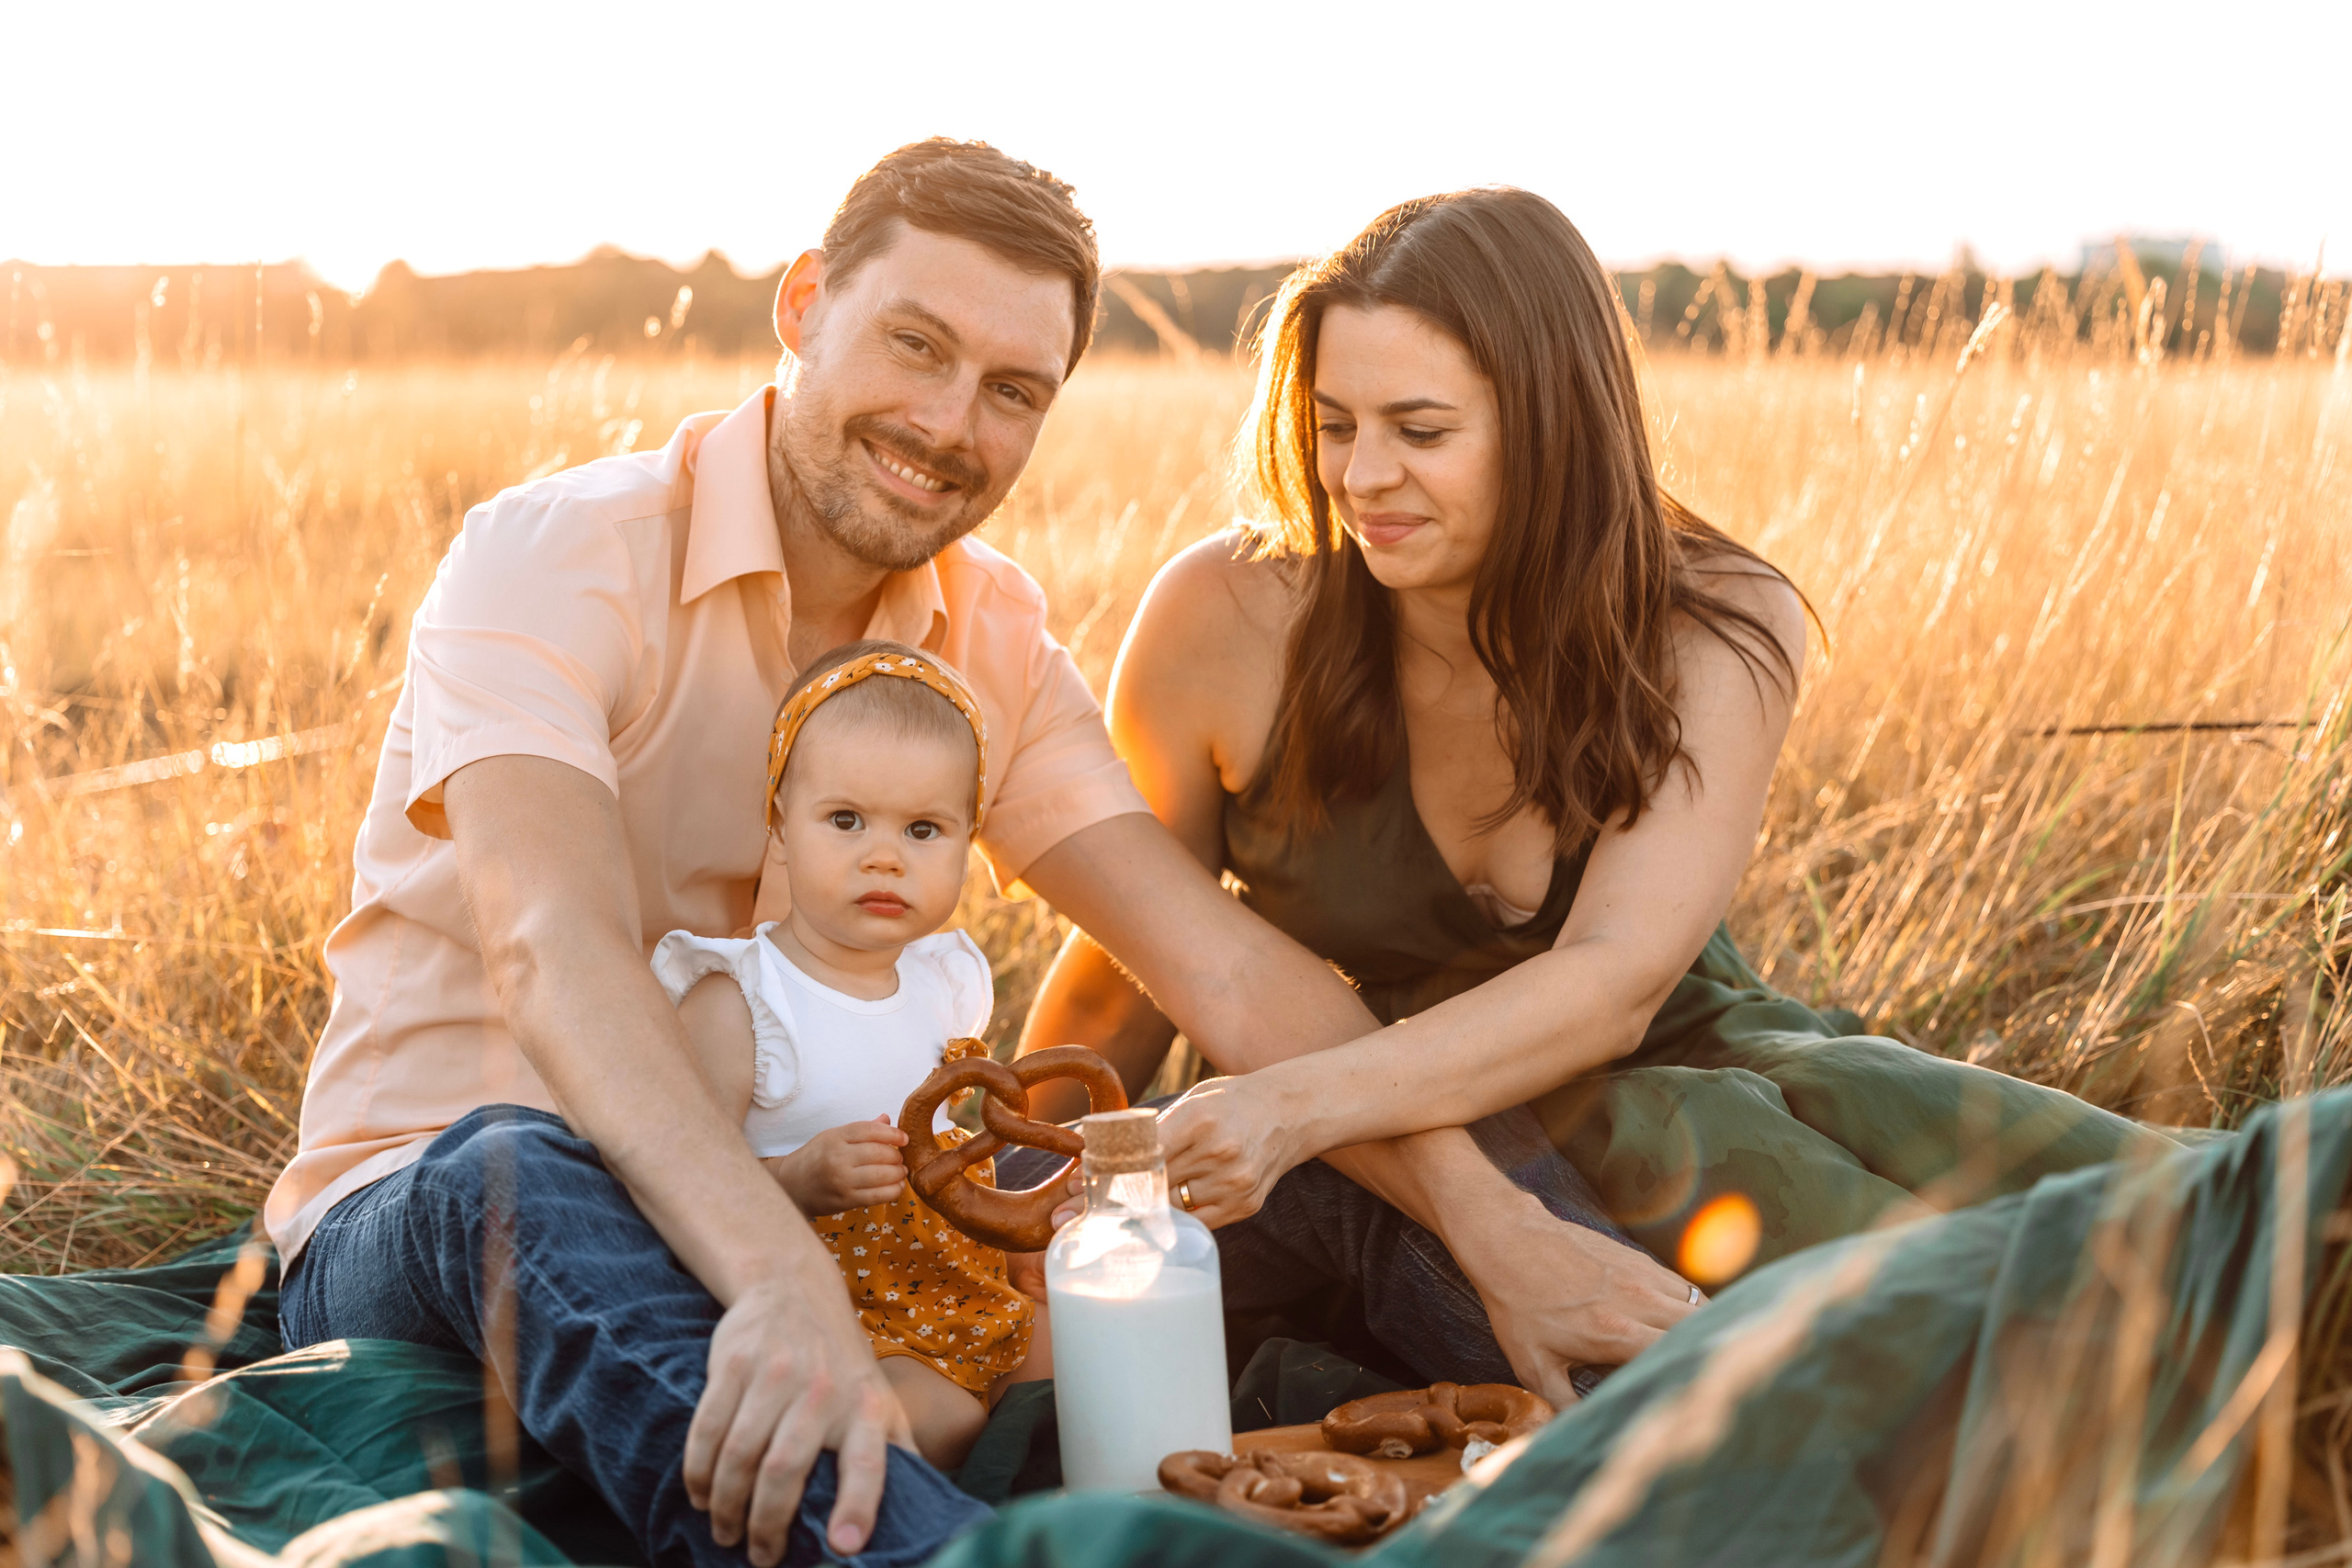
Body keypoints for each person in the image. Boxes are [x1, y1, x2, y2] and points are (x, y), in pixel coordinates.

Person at [267, 142, 1661, 1568]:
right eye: (916, 344)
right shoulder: (555, 555)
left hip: (855, 1245)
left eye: (1012, 391)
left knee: (1312, 1134)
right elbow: (544, 946)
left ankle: (1699, 1441)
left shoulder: (986, 636)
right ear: (805, 305)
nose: (947, 423)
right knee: (515, 1165)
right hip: (433, 1209)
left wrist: (1495, 1226)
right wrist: (772, 1264)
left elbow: (1224, 962)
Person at [1020, 186, 2174, 1388]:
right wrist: (1007, 1197)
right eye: (1333, 423)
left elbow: (1614, 981)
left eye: (1421, 430)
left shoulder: (1718, 621)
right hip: (1365, 1140)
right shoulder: (1227, 614)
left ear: (1554, 423)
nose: (1363, 475)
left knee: (2109, 1229)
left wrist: (1287, 1105)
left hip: (1665, 1081)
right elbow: (1134, 954)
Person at [654, 639, 1052, 1472]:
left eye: (922, 828)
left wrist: (1027, 1230)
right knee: (926, 1417)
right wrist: (798, 1178)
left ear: (966, 841)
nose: (885, 855)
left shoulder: (944, 982)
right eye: (846, 820)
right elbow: (672, 1185)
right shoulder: (744, 1000)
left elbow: (962, 1154)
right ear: (779, 823)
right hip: (824, 1299)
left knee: (1082, 1355)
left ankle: (1065, 1503)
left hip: (955, 1273)